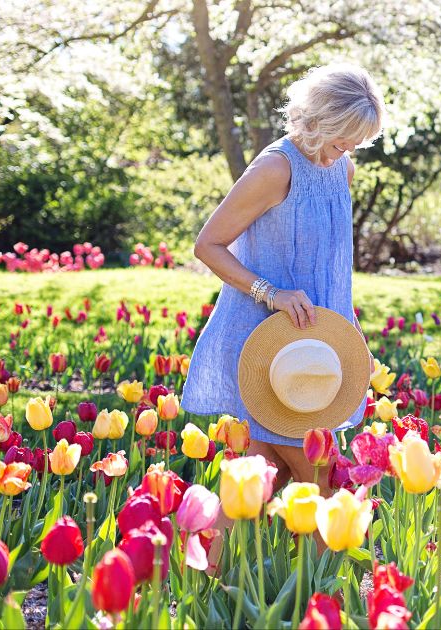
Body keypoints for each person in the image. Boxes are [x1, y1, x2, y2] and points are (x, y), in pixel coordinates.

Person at [183, 63, 385, 489]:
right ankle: (349, 558)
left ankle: (197, 557)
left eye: (355, 143)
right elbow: (208, 245)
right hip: (272, 345)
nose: (345, 152)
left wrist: (351, 335)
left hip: (315, 346)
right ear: (317, 121)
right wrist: (270, 293)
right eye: (340, 140)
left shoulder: (342, 170)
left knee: (259, 483)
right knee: (325, 481)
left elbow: (332, 271)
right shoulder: (276, 169)